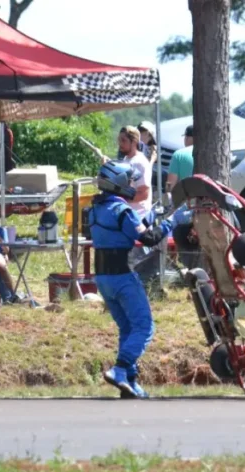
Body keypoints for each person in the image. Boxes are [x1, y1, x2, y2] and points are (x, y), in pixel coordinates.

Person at [89, 161, 173, 399]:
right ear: (118, 184)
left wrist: (151, 216)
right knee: (145, 327)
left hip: (102, 279)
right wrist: (171, 221)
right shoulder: (122, 210)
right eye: (130, 181)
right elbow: (147, 239)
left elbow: (119, 230)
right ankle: (121, 368)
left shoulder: (95, 208)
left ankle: (129, 382)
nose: (133, 185)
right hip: (122, 276)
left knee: (127, 328)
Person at [165, 125, 203, 270]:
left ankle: (170, 266)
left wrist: (170, 207)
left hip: (185, 207)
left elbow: (171, 186)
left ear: (188, 138)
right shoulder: (209, 153)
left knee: (168, 228)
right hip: (207, 208)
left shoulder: (179, 155)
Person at [102, 126, 152, 214]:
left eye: (123, 140)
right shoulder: (127, 159)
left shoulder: (139, 163)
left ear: (134, 142)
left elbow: (143, 194)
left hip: (139, 217)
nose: (120, 143)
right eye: (119, 140)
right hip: (128, 215)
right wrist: (108, 166)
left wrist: (120, 200)